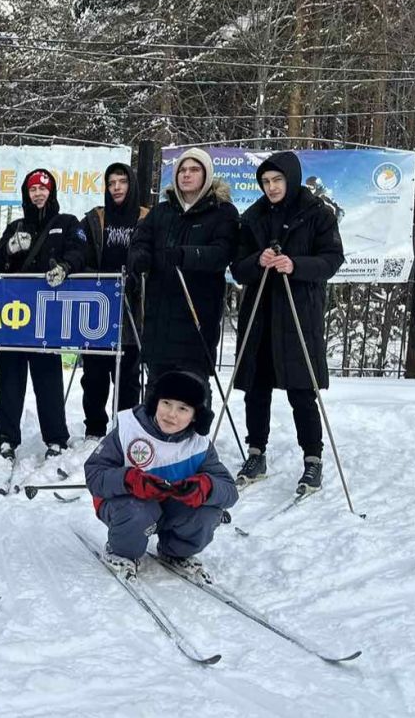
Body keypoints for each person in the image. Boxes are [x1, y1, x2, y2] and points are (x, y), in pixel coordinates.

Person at [231, 152, 344, 494]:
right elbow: (238, 268)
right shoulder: (253, 217)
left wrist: (296, 265)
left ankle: (313, 459)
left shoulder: (317, 214)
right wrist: (257, 260)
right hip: (261, 311)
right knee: (256, 386)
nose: (272, 187)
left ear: (291, 179)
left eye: (277, 180)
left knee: (301, 389)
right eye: (266, 182)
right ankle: (256, 452)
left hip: (297, 311)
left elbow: (332, 259)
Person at [83, 370, 238, 582]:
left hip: (172, 506)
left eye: (183, 408)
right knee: (139, 510)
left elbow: (229, 491)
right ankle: (121, 551)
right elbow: (94, 474)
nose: (171, 414)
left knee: (207, 514)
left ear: (196, 416)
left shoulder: (199, 445)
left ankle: (176, 551)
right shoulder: (129, 430)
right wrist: (129, 480)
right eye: (166, 403)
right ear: (155, 401)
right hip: (128, 506)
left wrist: (206, 488)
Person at [0, 168, 87, 459]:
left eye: (43, 189)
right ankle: (7, 437)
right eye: (33, 190)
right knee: (11, 378)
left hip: (48, 315)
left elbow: (80, 251)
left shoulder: (67, 223)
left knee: (48, 378)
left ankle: (56, 437)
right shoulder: (17, 225)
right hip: (15, 315)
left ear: (51, 191)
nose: (38, 194)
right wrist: (9, 248)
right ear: (26, 194)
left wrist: (65, 267)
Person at [128, 147, 238, 401]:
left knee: (192, 388)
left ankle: (195, 439)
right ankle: (154, 438)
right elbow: (139, 242)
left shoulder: (223, 212)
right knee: (157, 389)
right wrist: (140, 258)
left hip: (197, 315)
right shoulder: (161, 212)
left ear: (207, 175)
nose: (187, 175)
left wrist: (187, 255)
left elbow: (222, 253)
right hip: (159, 316)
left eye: (194, 170)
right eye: (182, 170)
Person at [80, 162, 149, 446]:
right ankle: (94, 427)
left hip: (133, 305)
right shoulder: (96, 218)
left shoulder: (146, 218)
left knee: (128, 375)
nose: (117, 187)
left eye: (122, 182)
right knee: (94, 373)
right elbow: (81, 251)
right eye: (112, 183)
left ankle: (126, 427)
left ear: (131, 185)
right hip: (100, 304)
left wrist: (138, 274)